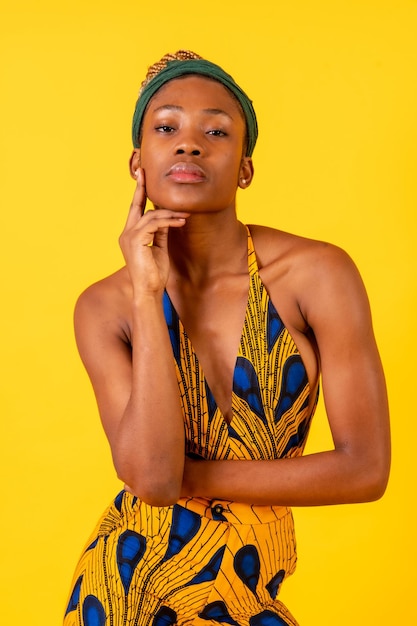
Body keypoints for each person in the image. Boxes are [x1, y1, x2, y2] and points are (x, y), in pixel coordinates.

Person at [63, 50, 390, 626]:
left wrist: (189, 478)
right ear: (138, 163)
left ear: (245, 167)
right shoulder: (105, 306)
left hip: (246, 587)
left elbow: (365, 470)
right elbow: (151, 478)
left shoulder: (316, 274)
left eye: (216, 130)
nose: (189, 143)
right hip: (122, 589)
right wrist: (147, 294)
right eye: (167, 128)